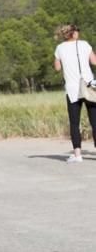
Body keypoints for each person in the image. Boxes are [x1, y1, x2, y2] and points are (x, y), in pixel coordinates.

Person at [54, 24, 96, 163]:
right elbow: (94, 61)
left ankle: (77, 155)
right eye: (77, 31)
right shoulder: (84, 44)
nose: (78, 32)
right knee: (95, 121)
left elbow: (57, 68)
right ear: (73, 33)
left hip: (72, 90)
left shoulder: (60, 48)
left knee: (74, 122)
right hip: (89, 87)